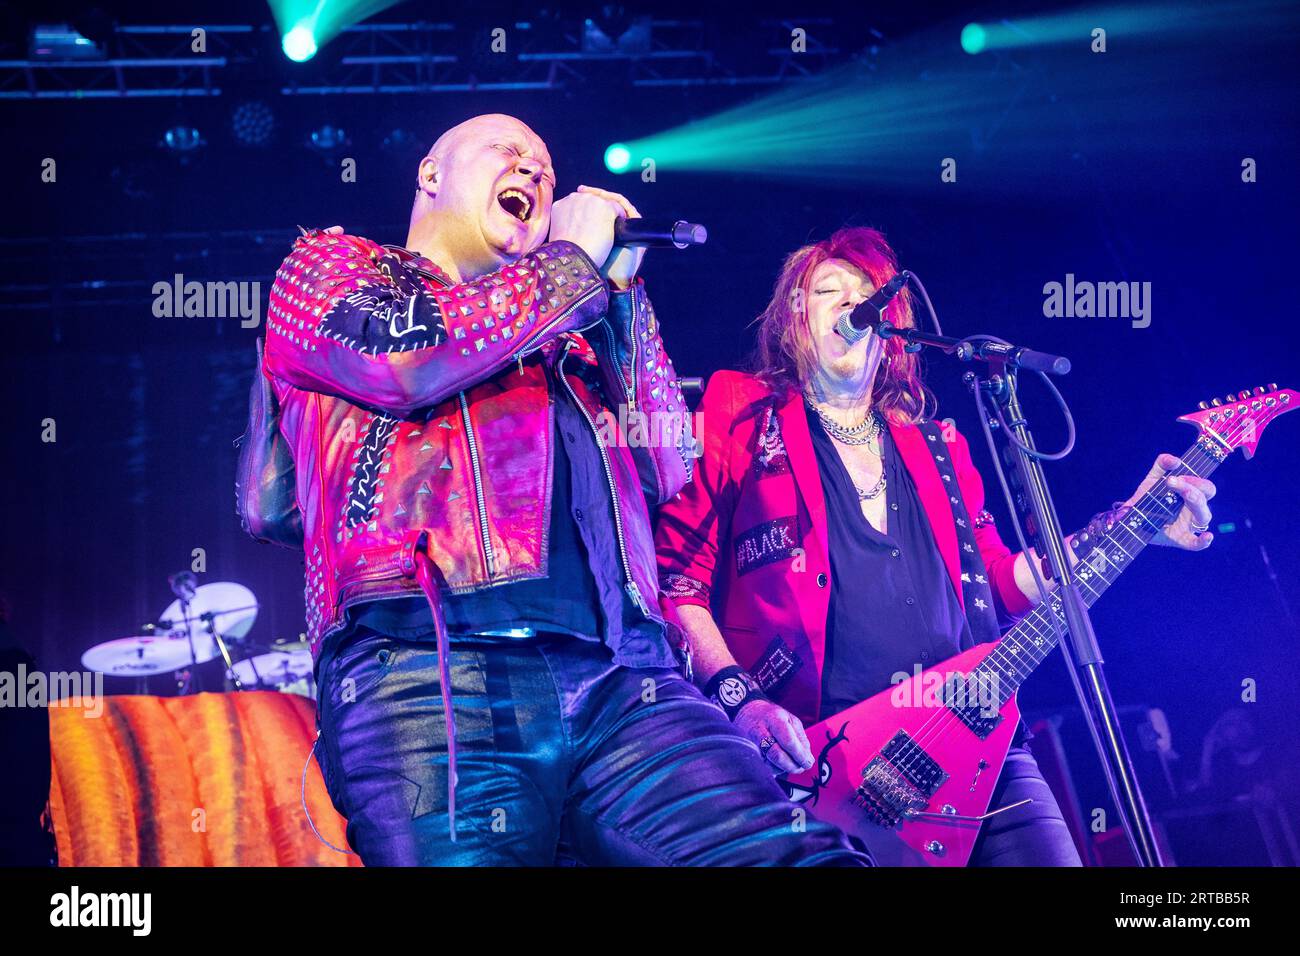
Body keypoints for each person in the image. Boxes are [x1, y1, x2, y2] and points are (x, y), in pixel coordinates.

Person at [244, 114, 869, 866]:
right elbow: (405, 360)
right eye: (508, 153)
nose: (535, 173)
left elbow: (668, 459)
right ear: (431, 175)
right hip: (428, 671)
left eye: (545, 165)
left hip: (626, 678)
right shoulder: (334, 266)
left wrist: (623, 296)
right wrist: (570, 259)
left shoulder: (566, 327)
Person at [655, 226, 1217, 866]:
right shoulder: (744, 412)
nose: (848, 304)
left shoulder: (935, 444)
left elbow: (1005, 581)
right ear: (795, 317)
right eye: (827, 291)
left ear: (890, 325)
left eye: (865, 294)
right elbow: (677, 584)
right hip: (827, 764)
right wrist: (741, 700)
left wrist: (1133, 521)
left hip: (976, 733)